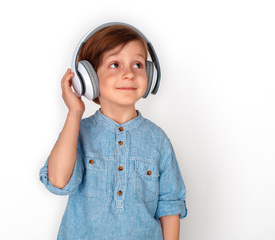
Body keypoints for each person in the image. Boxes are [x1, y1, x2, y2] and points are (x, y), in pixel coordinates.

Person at [39, 22, 187, 240]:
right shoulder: (78, 132)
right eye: (115, 64)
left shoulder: (158, 140)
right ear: (89, 78)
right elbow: (59, 182)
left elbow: (169, 205)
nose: (129, 74)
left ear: (150, 74)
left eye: (137, 64)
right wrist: (74, 112)